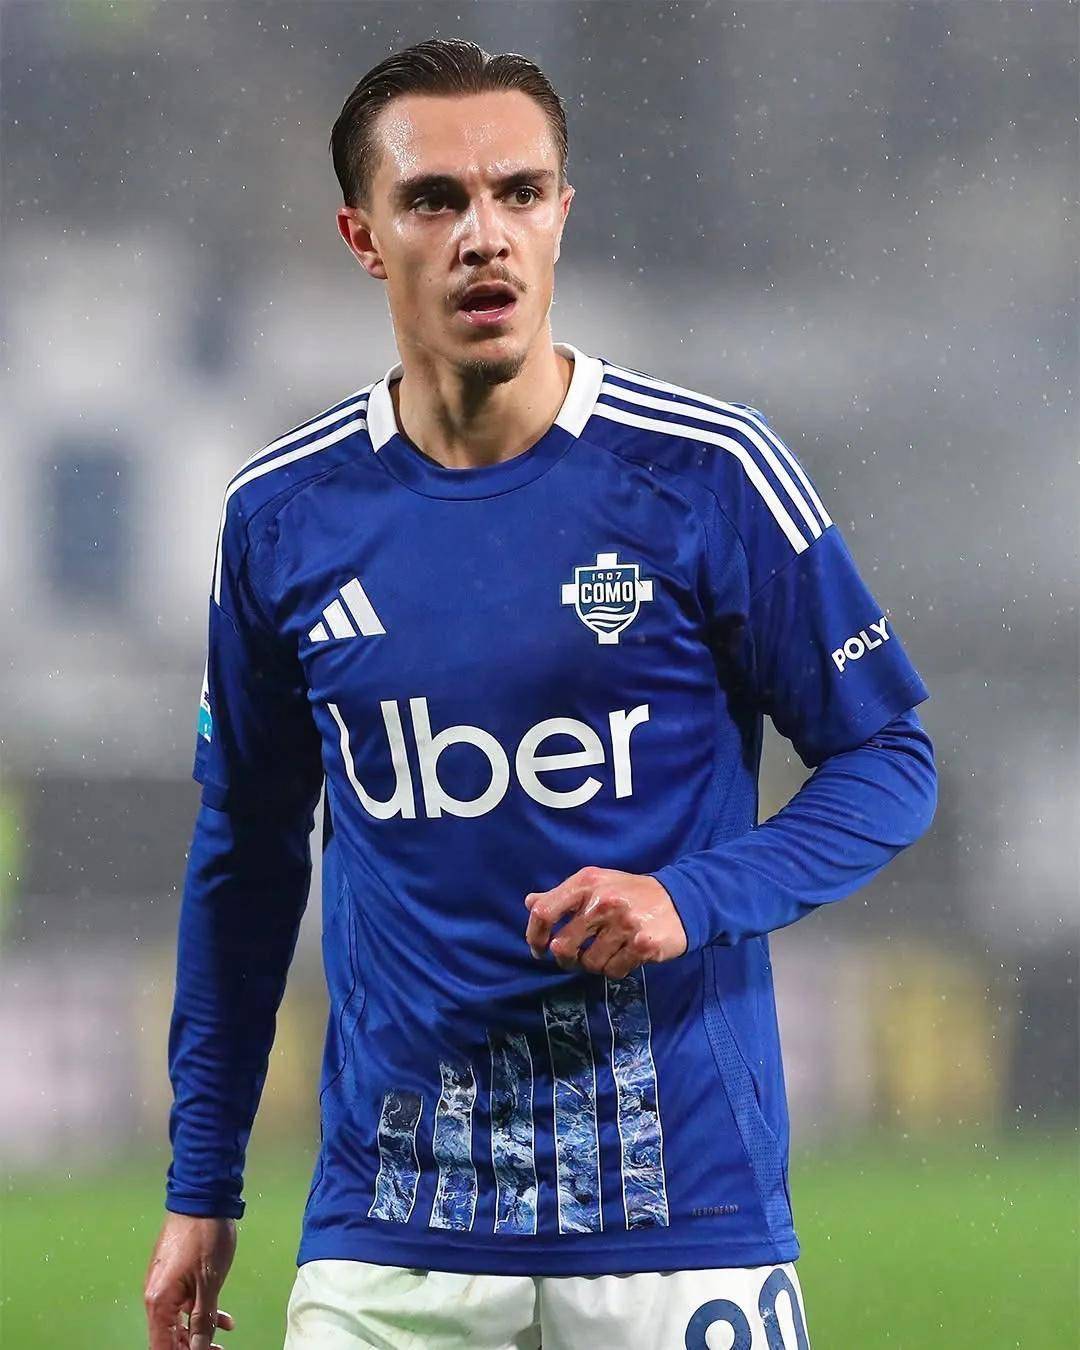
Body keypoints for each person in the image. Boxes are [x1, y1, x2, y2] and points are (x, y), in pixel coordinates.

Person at [143, 36, 937, 1350]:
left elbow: (890, 761)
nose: (484, 236)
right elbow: (245, 854)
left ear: (563, 212)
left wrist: (691, 896)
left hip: (679, 1214)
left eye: (518, 192)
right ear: (362, 235)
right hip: (393, 1223)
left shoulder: (709, 473)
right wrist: (202, 1181)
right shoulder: (282, 516)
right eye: (434, 199)